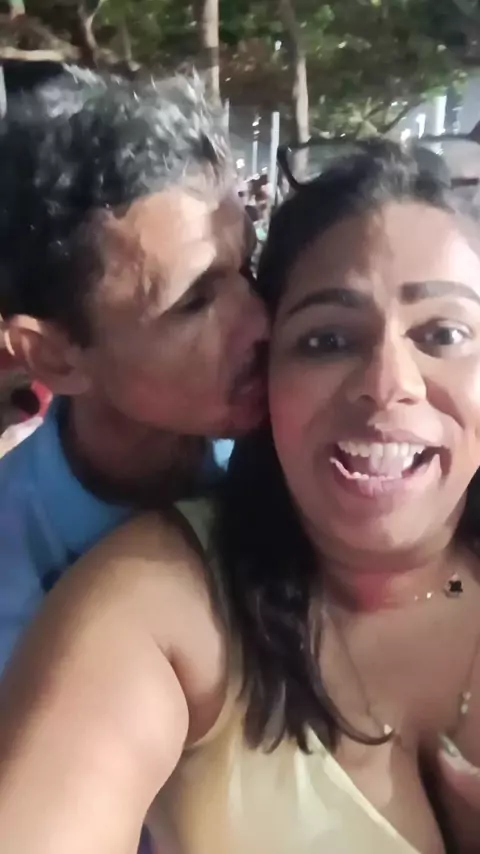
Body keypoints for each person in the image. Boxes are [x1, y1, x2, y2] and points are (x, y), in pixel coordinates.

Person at [1, 140, 480, 853]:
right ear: (269, 376)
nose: (388, 385)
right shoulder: (158, 605)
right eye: (327, 340)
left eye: (444, 333)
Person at [0, 69, 268, 673]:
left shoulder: (304, 462)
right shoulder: (13, 583)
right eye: (195, 302)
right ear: (54, 357)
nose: (260, 323)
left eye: (246, 270)